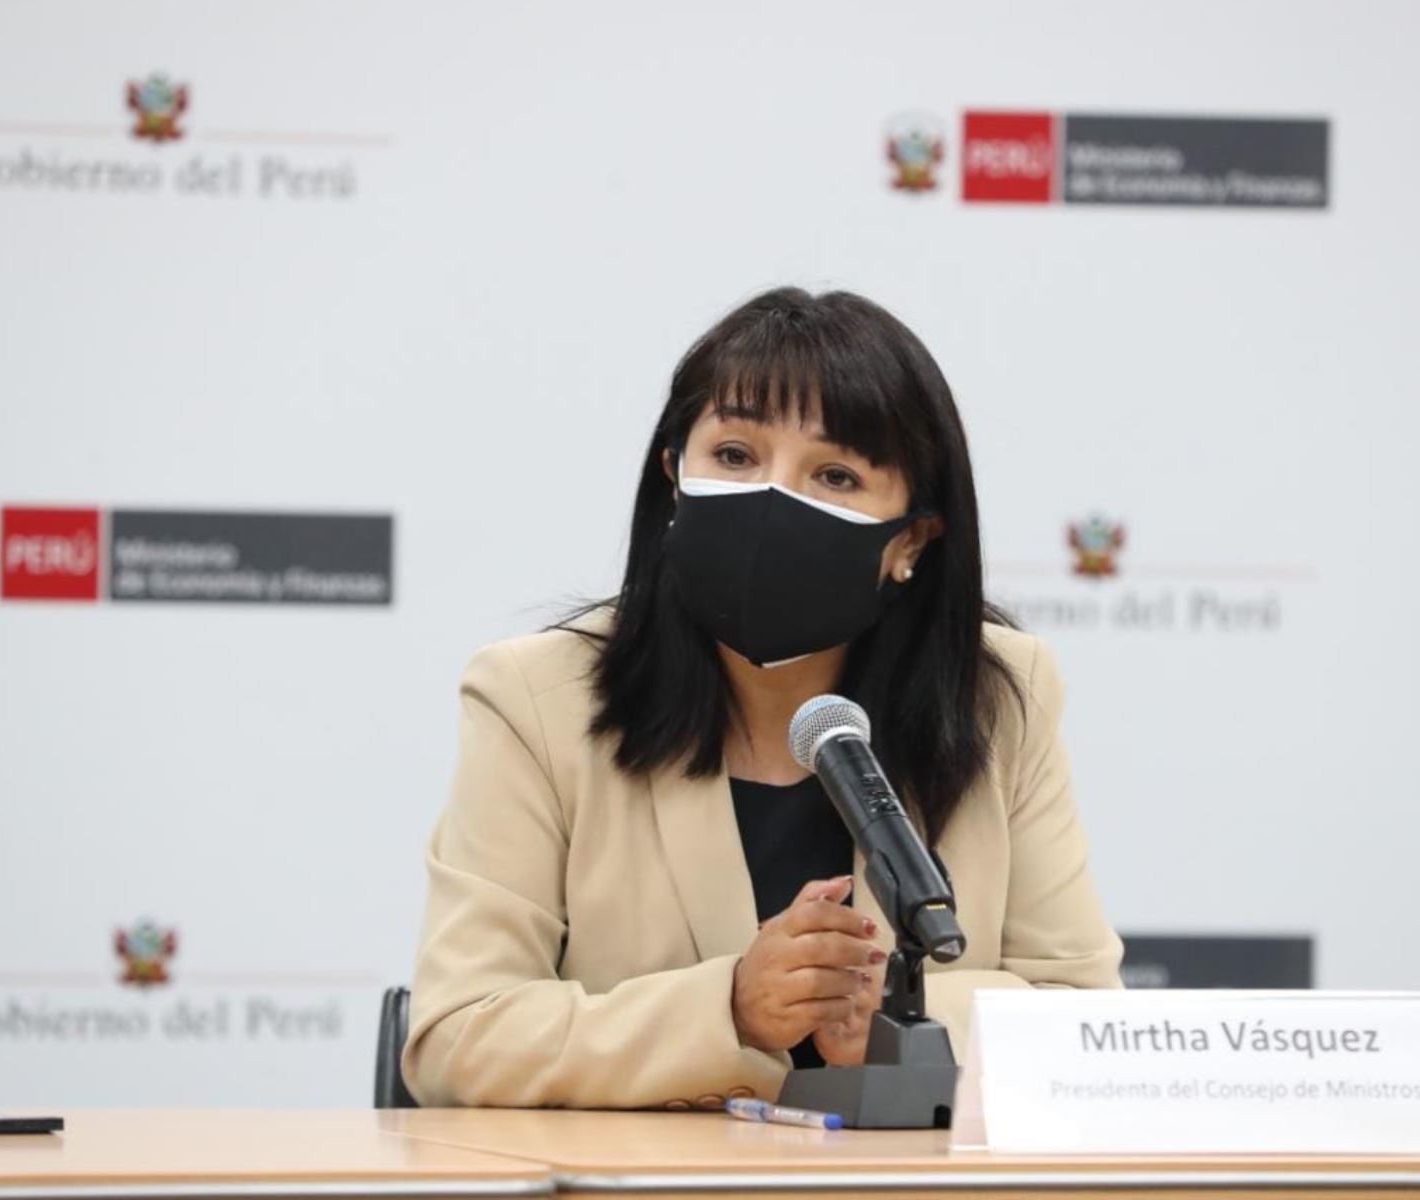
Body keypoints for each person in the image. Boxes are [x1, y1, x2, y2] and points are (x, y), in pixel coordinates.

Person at [404, 287, 1121, 1109]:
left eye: (835, 475)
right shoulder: (537, 698)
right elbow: (458, 1035)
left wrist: (897, 1019)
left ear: (911, 540)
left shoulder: (996, 699)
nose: (774, 500)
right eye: (736, 456)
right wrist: (730, 1010)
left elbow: (1084, 1021)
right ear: (675, 478)